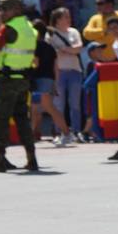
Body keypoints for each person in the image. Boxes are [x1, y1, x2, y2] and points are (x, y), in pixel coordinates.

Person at [0, 0, 38, 172]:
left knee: (1, 118)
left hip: (8, 80)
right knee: (22, 119)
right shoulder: (29, 27)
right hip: (24, 80)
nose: (2, 13)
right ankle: (31, 158)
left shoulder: (9, 28)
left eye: (5, 9)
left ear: (16, 9)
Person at [29, 17, 69, 146]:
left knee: (48, 108)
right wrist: (55, 83)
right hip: (49, 79)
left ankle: (67, 133)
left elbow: (35, 63)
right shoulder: (50, 47)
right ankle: (30, 136)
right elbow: (55, 67)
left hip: (39, 79)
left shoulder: (35, 46)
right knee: (36, 109)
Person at [47, 8, 84, 145]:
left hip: (75, 70)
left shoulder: (74, 32)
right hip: (58, 72)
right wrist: (70, 50)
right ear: (57, 20)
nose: (68, 19)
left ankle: (76, 131)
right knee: (58, 104)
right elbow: (52, 53)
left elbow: (79, 48)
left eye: (69, 16)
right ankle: (59, 132)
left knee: (75, 104)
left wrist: (63, 49)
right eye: (65, 17)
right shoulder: (50, 34)